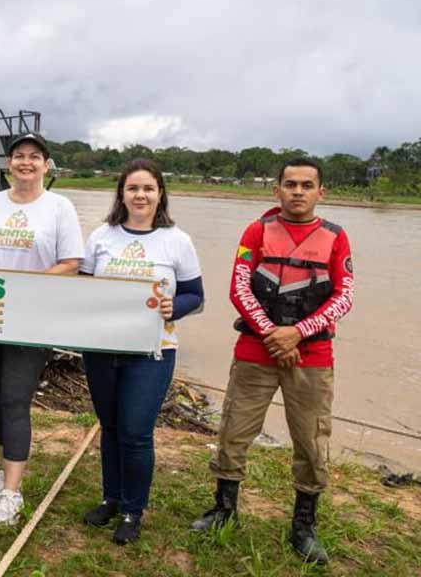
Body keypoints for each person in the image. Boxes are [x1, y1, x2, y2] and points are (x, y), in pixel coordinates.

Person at [191, 157, 353, 565]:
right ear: (275, 189)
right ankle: (224, 509)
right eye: (290, 184)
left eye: (307, 185)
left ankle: (304, 525)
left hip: (313, 356)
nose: (298, 192)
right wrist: (271, 332)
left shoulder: (337, 237)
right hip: (254, 352)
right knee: (234, 429)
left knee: (311, 439)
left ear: (321, 192)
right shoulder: (256, 231)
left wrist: (297, 332)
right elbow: (239, 288)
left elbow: (345, 296)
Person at [79, 159, 204, 544]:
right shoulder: (102, 236)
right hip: (102, 349)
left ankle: (133, 510)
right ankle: (111, 498)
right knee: (111, 427)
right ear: (122, 193)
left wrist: (174, 307)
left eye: (148, 188)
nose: (140, 195)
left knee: (135, 432)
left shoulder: (176, 240)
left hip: (152, 351)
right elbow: (81, 290)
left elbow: (196, 297)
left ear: (160, 193)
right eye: (133, 188)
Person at [0, 132, 84, 524]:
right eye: (19, 156)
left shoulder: (59, 207)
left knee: (16, 399)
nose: (26, 162)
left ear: (46, 165)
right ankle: (2, 472)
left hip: (34, 317)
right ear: (9, 164)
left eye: (35, 157)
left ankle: (13, 494)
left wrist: (26, 288)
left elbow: (70, 262)